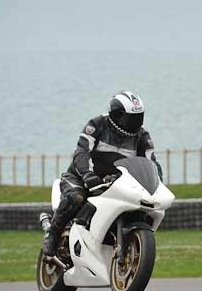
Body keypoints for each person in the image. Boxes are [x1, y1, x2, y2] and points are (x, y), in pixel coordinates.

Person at [41, 91, 163, 256]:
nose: (136, 122)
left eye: (138, 116)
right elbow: (81, 152)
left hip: (114, 182)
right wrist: (89, 175)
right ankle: (53, 234)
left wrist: (157, 183)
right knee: (76, 197)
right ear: (118, 115)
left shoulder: (142, 136)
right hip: (80, 177)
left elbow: (151, 162)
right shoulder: (97, 125)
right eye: (131, 117)